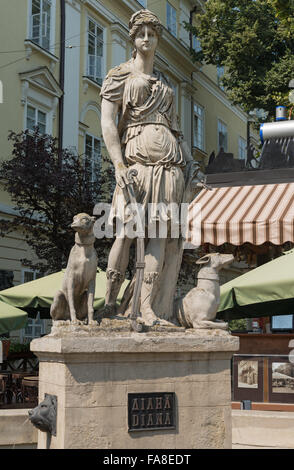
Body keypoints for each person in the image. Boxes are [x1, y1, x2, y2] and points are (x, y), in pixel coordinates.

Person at [100, 9, 201, 326]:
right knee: (127, 234)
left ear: (157, 39)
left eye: (152, 34)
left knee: (160, 236)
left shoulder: (164, 83)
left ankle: (147, 308)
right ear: (133, 38)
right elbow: (107, 122)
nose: (146, 39)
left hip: (169, 167)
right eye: (141, 33)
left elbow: (175, 129)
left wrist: (191, 163)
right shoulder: (119, 75)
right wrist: (117, 163)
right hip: (136, 166)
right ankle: (110, 305)